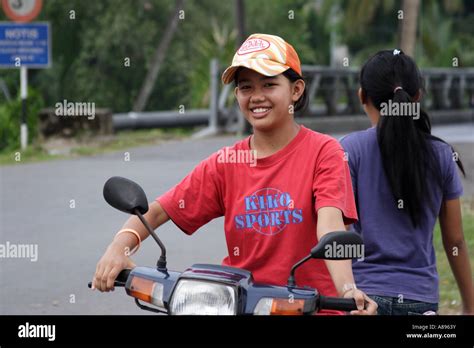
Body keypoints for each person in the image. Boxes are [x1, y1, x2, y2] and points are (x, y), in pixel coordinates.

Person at [91, 33, 377, 315]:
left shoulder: (324, 151)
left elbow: (330, 226)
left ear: (296, 90)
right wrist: (119, 247)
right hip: (235, 304)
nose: (256, 97)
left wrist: (347, 289)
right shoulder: (227, 162)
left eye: (268, 84)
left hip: (309, 308)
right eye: (245, 87)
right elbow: (156, 212)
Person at [340, 49, 474, 315]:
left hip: (363, 300)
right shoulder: (441, 155)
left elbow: (339, 234)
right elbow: (455, 241)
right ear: (417, 97)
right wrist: (470, 306)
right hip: (421, 299)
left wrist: (344, 289)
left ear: (362, 96)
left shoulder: (349, 150)